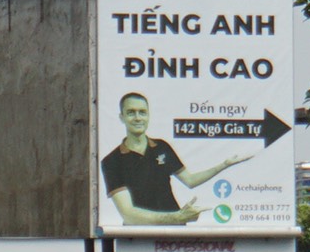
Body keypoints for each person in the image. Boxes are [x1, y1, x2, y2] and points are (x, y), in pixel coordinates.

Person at [101, 91, 252, 225]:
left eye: (142, 112)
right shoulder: (111, 161)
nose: (137, 118)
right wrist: (177, 217)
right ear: (122, 117)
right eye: (131, 112)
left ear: (148, 115)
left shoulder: (162, 147)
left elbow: (190, 180)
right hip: (138, 238)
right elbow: (129, 216)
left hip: (174, 232)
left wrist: (224, 165)